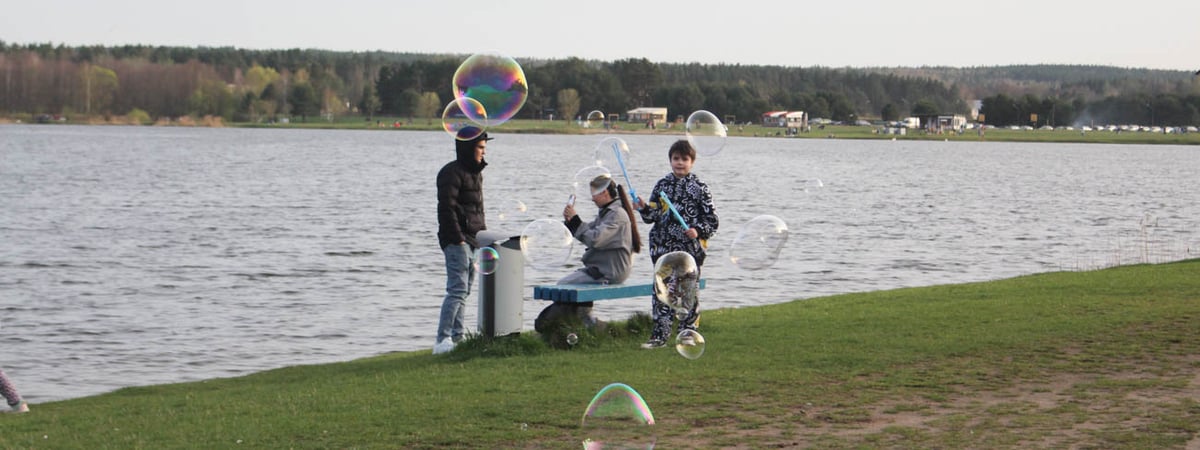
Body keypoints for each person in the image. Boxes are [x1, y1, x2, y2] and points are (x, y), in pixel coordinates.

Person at [634, 140, 719, 349]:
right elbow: (653, 215)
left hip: (689, 251)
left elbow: (712, 220)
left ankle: (688, 332)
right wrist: (643, 207)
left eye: (684, 159)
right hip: (663, 248)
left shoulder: (700, 188)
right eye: (676, 159)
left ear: (692, 162)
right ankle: (659, 335)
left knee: (687, 290)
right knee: (661, 291)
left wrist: (697, 230)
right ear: (670, 160)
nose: (680, 163)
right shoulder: (662, 185)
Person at [534, 174, 641, 333]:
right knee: (565, 286)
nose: (592, 199)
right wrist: (571, 222)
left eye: (594, 194)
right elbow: (589, 229)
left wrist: (576, 220)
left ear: (605, 192)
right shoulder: (607, 212)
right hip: (601, 268)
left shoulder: (617, 214)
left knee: (564, 286)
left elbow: (595, 239)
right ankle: (582, 321)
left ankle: (578, 322)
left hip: (609, 271)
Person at [433, 127, 492, 355]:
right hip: (456, 240)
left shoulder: (477, 173)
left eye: (484, 148)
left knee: (465, 290)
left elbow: (479, 209)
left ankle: (457, 339)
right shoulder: (451, 173)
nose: (483, 153)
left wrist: (483, 237)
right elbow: (446, 209)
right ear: (468, 148)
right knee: (456, 290)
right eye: (479, 148)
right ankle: (442, 339)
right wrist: (457, 239)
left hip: (475, 239)